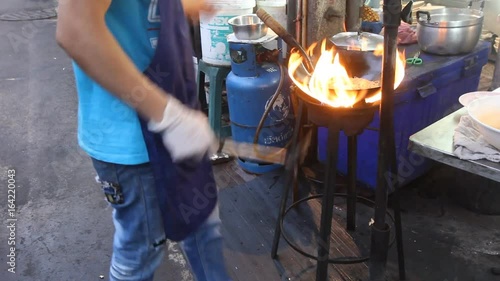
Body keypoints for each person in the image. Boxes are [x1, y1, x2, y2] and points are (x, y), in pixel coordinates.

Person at [56, 0, 232, 280]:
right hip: (131, 141)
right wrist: (168, 117)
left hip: (179, 121)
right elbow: (76, 30)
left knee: (202, 226)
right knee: (141, 251)